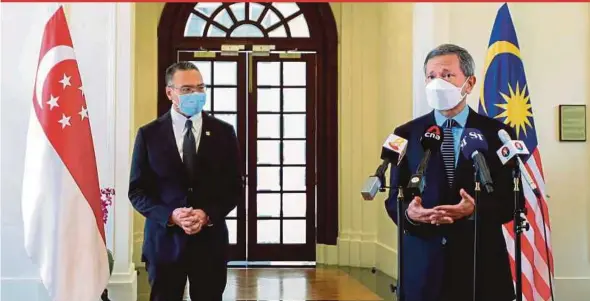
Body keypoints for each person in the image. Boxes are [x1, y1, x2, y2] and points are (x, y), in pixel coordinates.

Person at [385, 44, 518, 301]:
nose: (437, 83)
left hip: (480, 268)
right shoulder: (405, 134)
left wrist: (475, 208)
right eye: (431, 76)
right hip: (423, 268)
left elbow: (513, 200)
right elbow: (393, 198)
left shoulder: (498, 134)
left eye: (447, 75)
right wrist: (410, 214)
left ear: (469, 83)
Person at [129, 61, 243, 301]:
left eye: (201, 88)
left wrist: (207, 214)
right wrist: (170, 215)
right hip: (164, 243)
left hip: (210, 243)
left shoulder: (224, 132)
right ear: (170, 93)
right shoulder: (148, 134)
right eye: (187, 89)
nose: (196, 94)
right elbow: (137, 191)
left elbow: (234, 188)